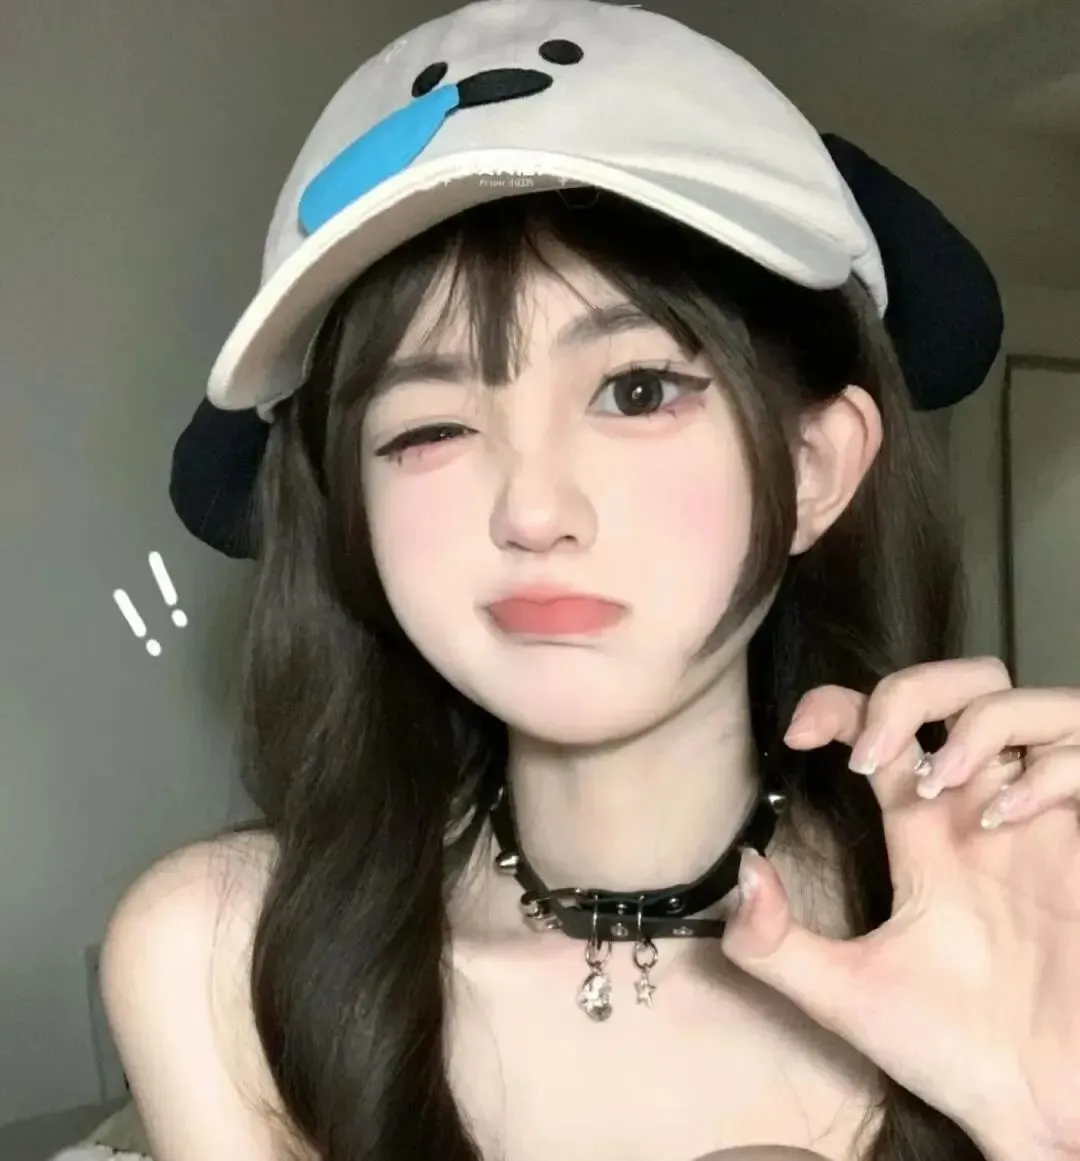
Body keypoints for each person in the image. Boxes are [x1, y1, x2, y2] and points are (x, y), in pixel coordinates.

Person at [97, 3, 1080, 1161]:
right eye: (429, 427)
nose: (532, 511)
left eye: (637, 392)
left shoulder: (1024, 933)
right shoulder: (222, 964)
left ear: (816, 468)